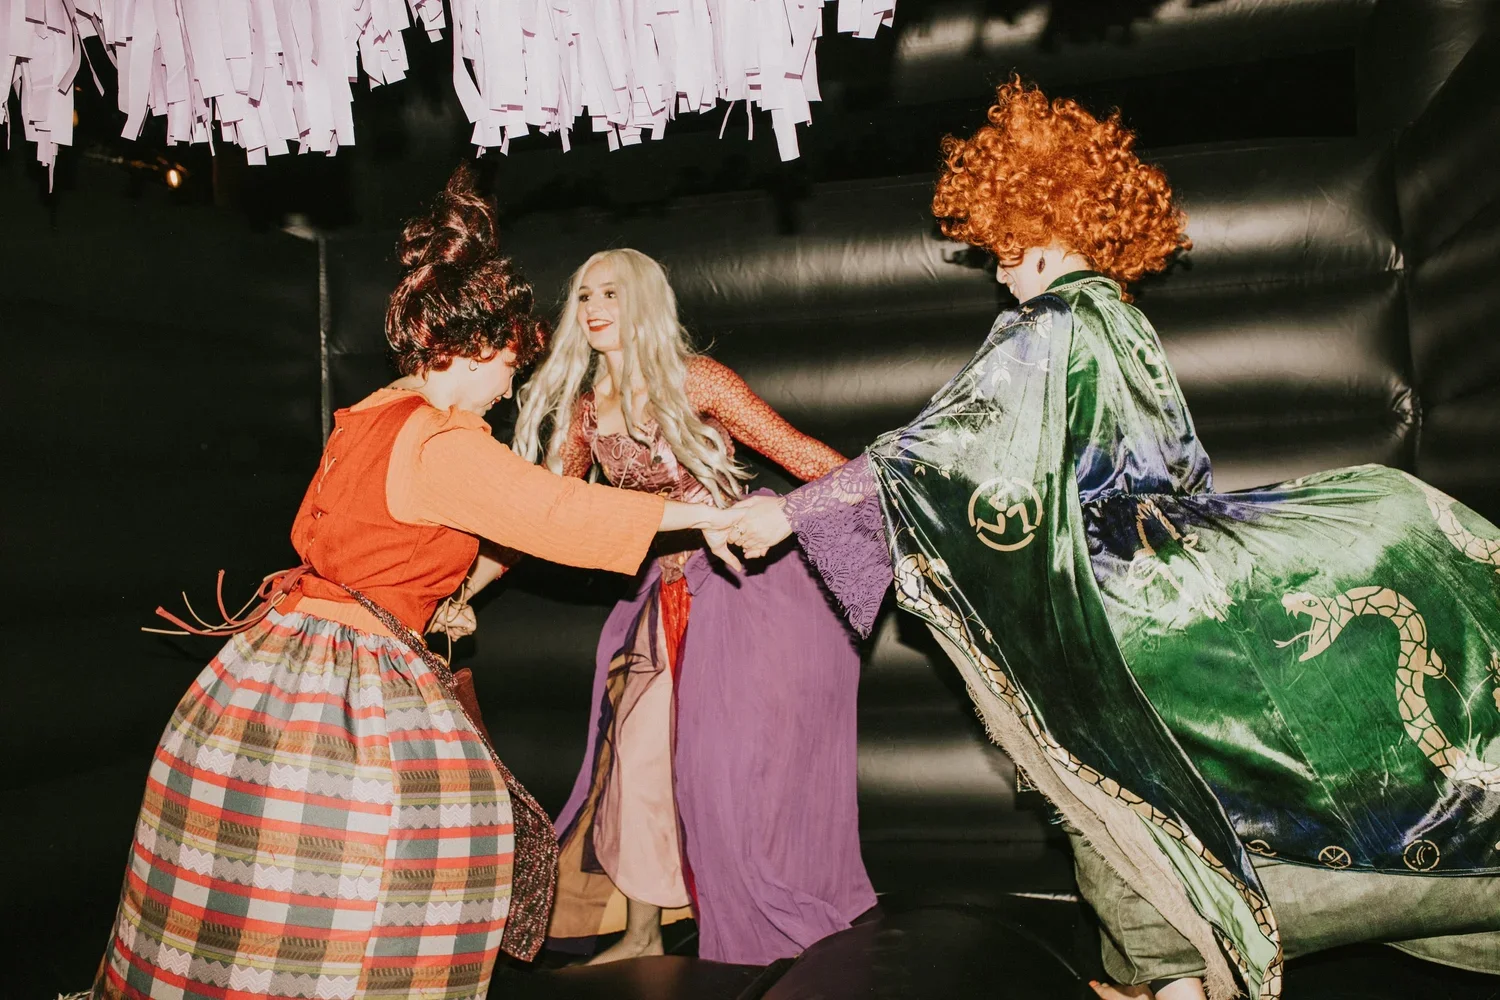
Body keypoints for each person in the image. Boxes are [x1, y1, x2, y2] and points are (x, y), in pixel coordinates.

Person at [728, 78, 1500, 1000]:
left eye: (1000, 246)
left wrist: (794, 509)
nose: (995, 266)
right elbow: (1172, 472)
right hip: (1174, 567)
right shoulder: (1121, 319)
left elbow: (954, 442)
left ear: (1038, 218)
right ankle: (1167, 975)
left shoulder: (1052, 321)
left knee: (1113, 781)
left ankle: (1172, 969)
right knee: (1135, 794)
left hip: (1120, 597)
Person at [89, 166, 752, 1000]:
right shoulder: (447, 441)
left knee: (249, 875)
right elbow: (552, 510)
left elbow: (397, 541)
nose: (511, 385)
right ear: (477, 350)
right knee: (428, 838)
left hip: (270, 666)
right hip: (351, 686)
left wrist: (467, 581)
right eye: (511, 363)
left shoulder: (369, 415)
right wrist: (709, 517)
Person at [436, 248, 875, 966]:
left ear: (642, 302)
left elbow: (796, 451)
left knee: (728, 769)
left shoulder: (696, 380)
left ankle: (756, 928)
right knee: (640, 763)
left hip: (744, 591)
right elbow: (539, 517)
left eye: (611, 292)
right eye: (583, 296)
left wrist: (889, 486)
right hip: (661, 599)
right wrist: (459, 589)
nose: (594, 307)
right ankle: (642, 934)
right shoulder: (586, 412)